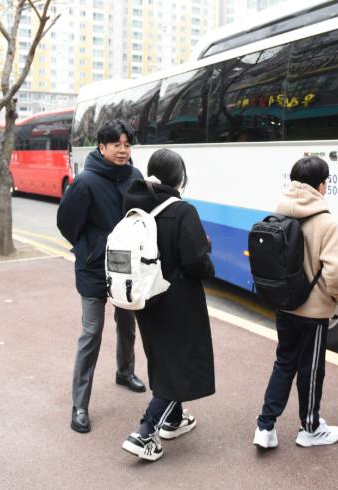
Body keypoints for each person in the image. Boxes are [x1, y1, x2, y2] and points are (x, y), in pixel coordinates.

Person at [120, 149, 215, 462]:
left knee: (162, 355)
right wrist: (207, 256)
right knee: (180, 359)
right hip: (178, 298)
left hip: (146, 296)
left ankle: (173, 420)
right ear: (179, 178)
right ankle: (145, 432)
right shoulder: (182, 210)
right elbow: (195, 261)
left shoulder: (133, 203)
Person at [253, 156, 338, 449]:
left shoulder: (280, 213)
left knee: (284, 362)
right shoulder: (326, 221)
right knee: (311, 368)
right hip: (313, 310)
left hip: (285, 304)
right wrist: (335, 298)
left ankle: (265, 427)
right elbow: (337, 272)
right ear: (322, 184)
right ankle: (310, 427)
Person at [57, 119, 146, 434]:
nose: (123, 150)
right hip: (94, 266)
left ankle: (125, 372)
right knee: (91, 333)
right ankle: (80, 404)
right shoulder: (85, 182)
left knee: (127, 323)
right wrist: (91, 248)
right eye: (116, 144)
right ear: (102, 147)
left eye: (127, 144)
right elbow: (67, 223)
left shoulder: (135, 176)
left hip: (127, 268)